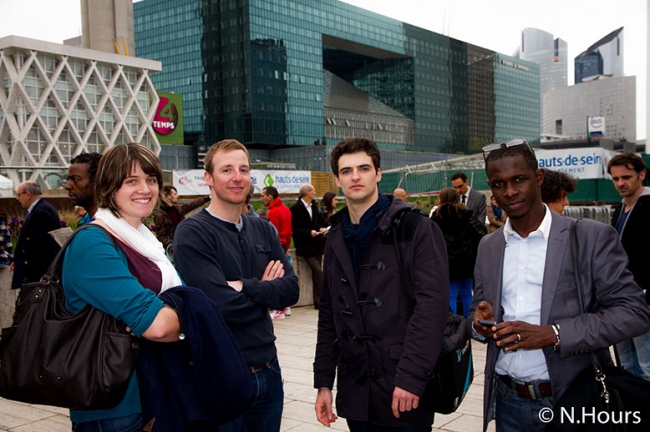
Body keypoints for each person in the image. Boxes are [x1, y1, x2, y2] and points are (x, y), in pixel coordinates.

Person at [470, 139, 650, 432]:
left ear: (538, 178)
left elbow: (634, 312)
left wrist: (552, 334)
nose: (510, 191)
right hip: (507, 401)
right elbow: (476, 308)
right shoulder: (488, 246)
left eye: (519, 180)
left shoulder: (590, 237)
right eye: (499, 184)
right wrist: (479, 322)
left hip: (571, 400)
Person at [313, 137, 449, 431]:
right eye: (347, 171)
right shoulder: (335, 237)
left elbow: (432, 309)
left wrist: (412, 377)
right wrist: (324, 381)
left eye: (363, 168)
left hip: (403, 387)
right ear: (337, 180)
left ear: (377, 173)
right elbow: (328, 315)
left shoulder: (416, 227)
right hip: (356, 389)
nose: (356, 176)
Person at [173, 139, 299, 432]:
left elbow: (292, 289)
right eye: (226, 169)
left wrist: (244, 286)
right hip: (223, 374)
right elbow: (218, 307)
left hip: (269, 370)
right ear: (208, 178)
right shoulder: (193, 233)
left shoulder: (263, 228)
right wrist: (267, 291)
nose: (237, 177)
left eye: (243, 169)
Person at [61, 143, 183, 431]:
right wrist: (194, 316)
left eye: (151, 179)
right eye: (131, 180)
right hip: (114, 405)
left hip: (154, 392)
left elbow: (179, 303)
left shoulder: (143, 239)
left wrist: (180, 312)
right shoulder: (93, 243)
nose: (145, 189)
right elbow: (157, 325)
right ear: (108, 185)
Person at [608, 152, 650, 381]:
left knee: (647, 364)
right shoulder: (619, 209)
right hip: (621, 299)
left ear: (641, 175)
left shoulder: (647, 205)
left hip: (644, 298)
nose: (620, 183)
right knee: (626, 364)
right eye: (615, 179)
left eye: (626, 177)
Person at [430, 187, 486, 316]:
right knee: (467, 293)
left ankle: (453, 324)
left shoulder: (437, 217)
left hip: (446, 262)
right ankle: (469, 321)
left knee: (451, 294)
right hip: (467, 261)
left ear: (441, 199)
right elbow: (479, 234)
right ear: (458, 198)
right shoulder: (467, 215)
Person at [11, 181, 61, 323]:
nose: (17, 199)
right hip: (34, 277)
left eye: (18, 195)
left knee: (24, 319)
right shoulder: (40, 209)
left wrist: (41, 279)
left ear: (28, 194)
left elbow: (45, 248)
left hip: (35, 279)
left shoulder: (41, 212)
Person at [290, 184, 326, 309]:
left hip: (317, 244)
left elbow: (319, 221)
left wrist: (320, 228)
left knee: (317, 273)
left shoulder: (314, 207)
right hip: (305, 245)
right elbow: (294, 228)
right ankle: (322, 298)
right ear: (308, 193)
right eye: (313, 191)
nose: (315, 193)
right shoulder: (295, 209)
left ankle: (318, 301)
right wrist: (309, 232)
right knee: (317, 270)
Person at [153, 185, 210, 251]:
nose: (177, 196)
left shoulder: (177, 209)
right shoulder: (160, 215)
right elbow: (161, 237)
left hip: (183, 244)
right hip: (173, 250)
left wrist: (207, 198)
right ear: (169, 197)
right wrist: (173, 246)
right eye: (175, 194)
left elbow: (192, 204)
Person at [65, 152, 102, 226]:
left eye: (75, 179)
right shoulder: (85, 220)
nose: (67, 186)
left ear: (96, 181)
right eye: (68, 179)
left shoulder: (112, 224)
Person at [260, 185, 292, 253]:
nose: (261, 199)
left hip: (275, 246)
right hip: (284, 245)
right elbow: (289, 232)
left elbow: (271, 234)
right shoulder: (286, 209)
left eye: (263, 196)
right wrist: (286, 247)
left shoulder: (273, 212)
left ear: (270, 197)